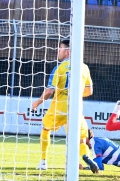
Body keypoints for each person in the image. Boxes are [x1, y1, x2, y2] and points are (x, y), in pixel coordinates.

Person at [31, 39, 96, 172]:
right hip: (76, 109)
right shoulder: (84, 67)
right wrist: (74, 94)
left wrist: (37, 102)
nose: (58, 51)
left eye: (60, 48)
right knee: (81, 138)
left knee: (45, 129)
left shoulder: (59, 68)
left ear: (67, 52)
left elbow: (50, 91)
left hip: (59, 108)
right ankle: (86, 157)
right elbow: (89, 91)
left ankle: (43, 162)